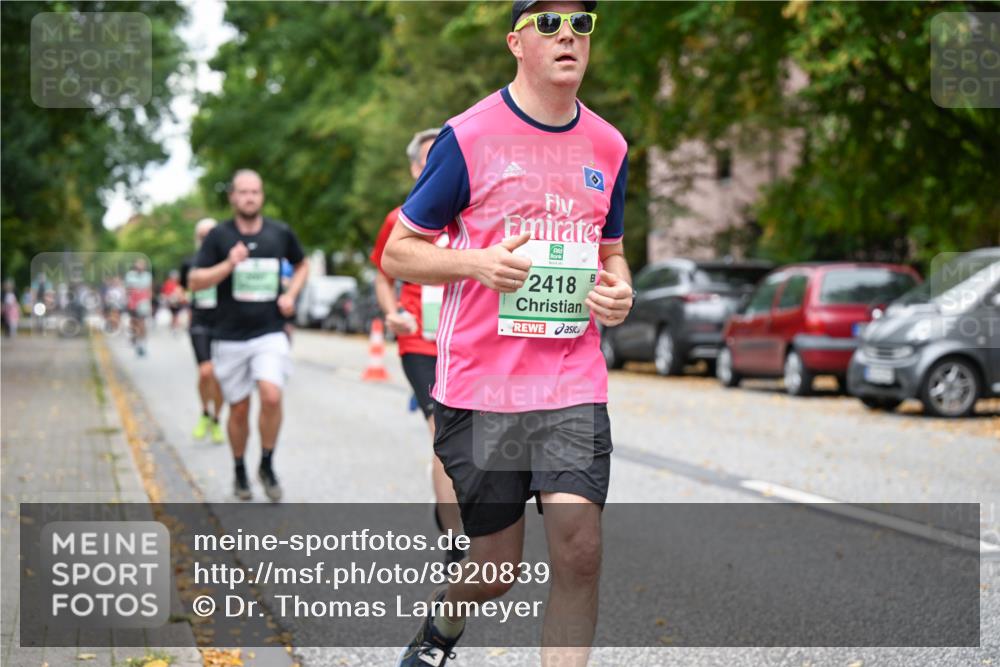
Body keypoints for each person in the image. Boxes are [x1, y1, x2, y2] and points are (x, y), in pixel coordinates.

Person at [384, 2, 633, 665]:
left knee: (580, 549)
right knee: (496, 566)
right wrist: (477, 263)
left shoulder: (609, 146)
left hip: (570, 379)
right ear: (516, 42)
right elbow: (399, 252)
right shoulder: (467, 137)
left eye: (582, 25)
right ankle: (442, 628)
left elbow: (611, 249)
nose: (568, 37)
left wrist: (619, 286)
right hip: (483, 386)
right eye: (549, 23)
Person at [370, 128, 464, 563]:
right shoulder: (400, 219)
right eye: (430, 159)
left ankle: (450, 509)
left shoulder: (471, 216)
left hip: (464, 343)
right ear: (414, 168)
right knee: (441, 434)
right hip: (420, 344)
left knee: (467, 442)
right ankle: (455, 538)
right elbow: (383, 273)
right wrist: (391, 313)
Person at [188, 170, 308, 501]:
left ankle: (266, 464)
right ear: (232, 197)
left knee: (271, 395)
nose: (249, 197)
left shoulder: (279, 233)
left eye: (255, 191)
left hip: (269, 331)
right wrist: (228, 264)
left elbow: (302, 265)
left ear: (262, 196)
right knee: (238, 409)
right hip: (228, 336)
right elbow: (196, 280)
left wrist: (291, 295)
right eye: (243, 192)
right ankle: (240, 469)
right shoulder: (218, 237)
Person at [180, 218, 225, 444]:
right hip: (199, 321)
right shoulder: (190, 263)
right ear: (197, 237)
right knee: (205, 372)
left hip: (223, 323)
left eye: (211, 233)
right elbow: (182, 288)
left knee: (219, 377)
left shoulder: (227, 262)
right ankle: (204, 412)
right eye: (203, 234)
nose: (207, 238)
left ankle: (216, 420)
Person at [124, 258, 153, 356]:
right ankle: (134, 338)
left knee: (142, 323)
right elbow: (128, 289)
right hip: (132, 301)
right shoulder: (130, 275)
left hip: (143, 302)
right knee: (133, 322)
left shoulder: (147, 276)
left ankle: (142, 343)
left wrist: (149, 303)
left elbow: (149, 290)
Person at [160, 269, 185, 334]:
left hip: (178, 301)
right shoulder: (168, 283)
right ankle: (174, 327)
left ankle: (175, 326)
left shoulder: (179, 283)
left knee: (176, 314)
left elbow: (182, 292)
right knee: (174, 314)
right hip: (171, 301)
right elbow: (165, 293)